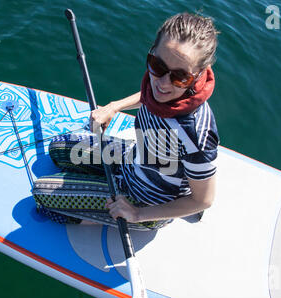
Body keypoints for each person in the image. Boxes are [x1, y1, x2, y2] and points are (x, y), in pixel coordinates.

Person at [90, 12, 220, 224]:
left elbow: (203, 200)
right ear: (152, 53)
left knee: (44, 197)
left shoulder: (196, 133)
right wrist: (114, 107)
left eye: (180, 77)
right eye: (158, 66)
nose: (163, 83)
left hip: (147, 201)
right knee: (57, 149)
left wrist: (137, 214)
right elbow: (150, 96)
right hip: (131, 161)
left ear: (197, 76)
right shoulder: (159, 88)